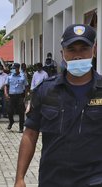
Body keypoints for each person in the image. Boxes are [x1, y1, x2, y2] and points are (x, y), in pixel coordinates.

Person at [15, 24, 101, 187]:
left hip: (94, 179)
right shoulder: (45, 90)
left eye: (84, 49)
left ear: (94, 50)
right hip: (53, 179)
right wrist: (20, 178)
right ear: (63, 53)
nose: (77, 56)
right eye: (72, 49)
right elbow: (30, 135)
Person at [4, 63, 28, 133]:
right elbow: (6, 85)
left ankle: (21, 127)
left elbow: (26, 86)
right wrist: (6, 93)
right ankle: (11, 121)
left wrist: (26, 96)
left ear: (18, 68)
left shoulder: (22, 76)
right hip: (11, 96)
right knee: (9, 111)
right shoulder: (9, 76)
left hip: (20, 96)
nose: (13, 70)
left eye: (14, 68)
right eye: (12, 69)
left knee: (21, 112)